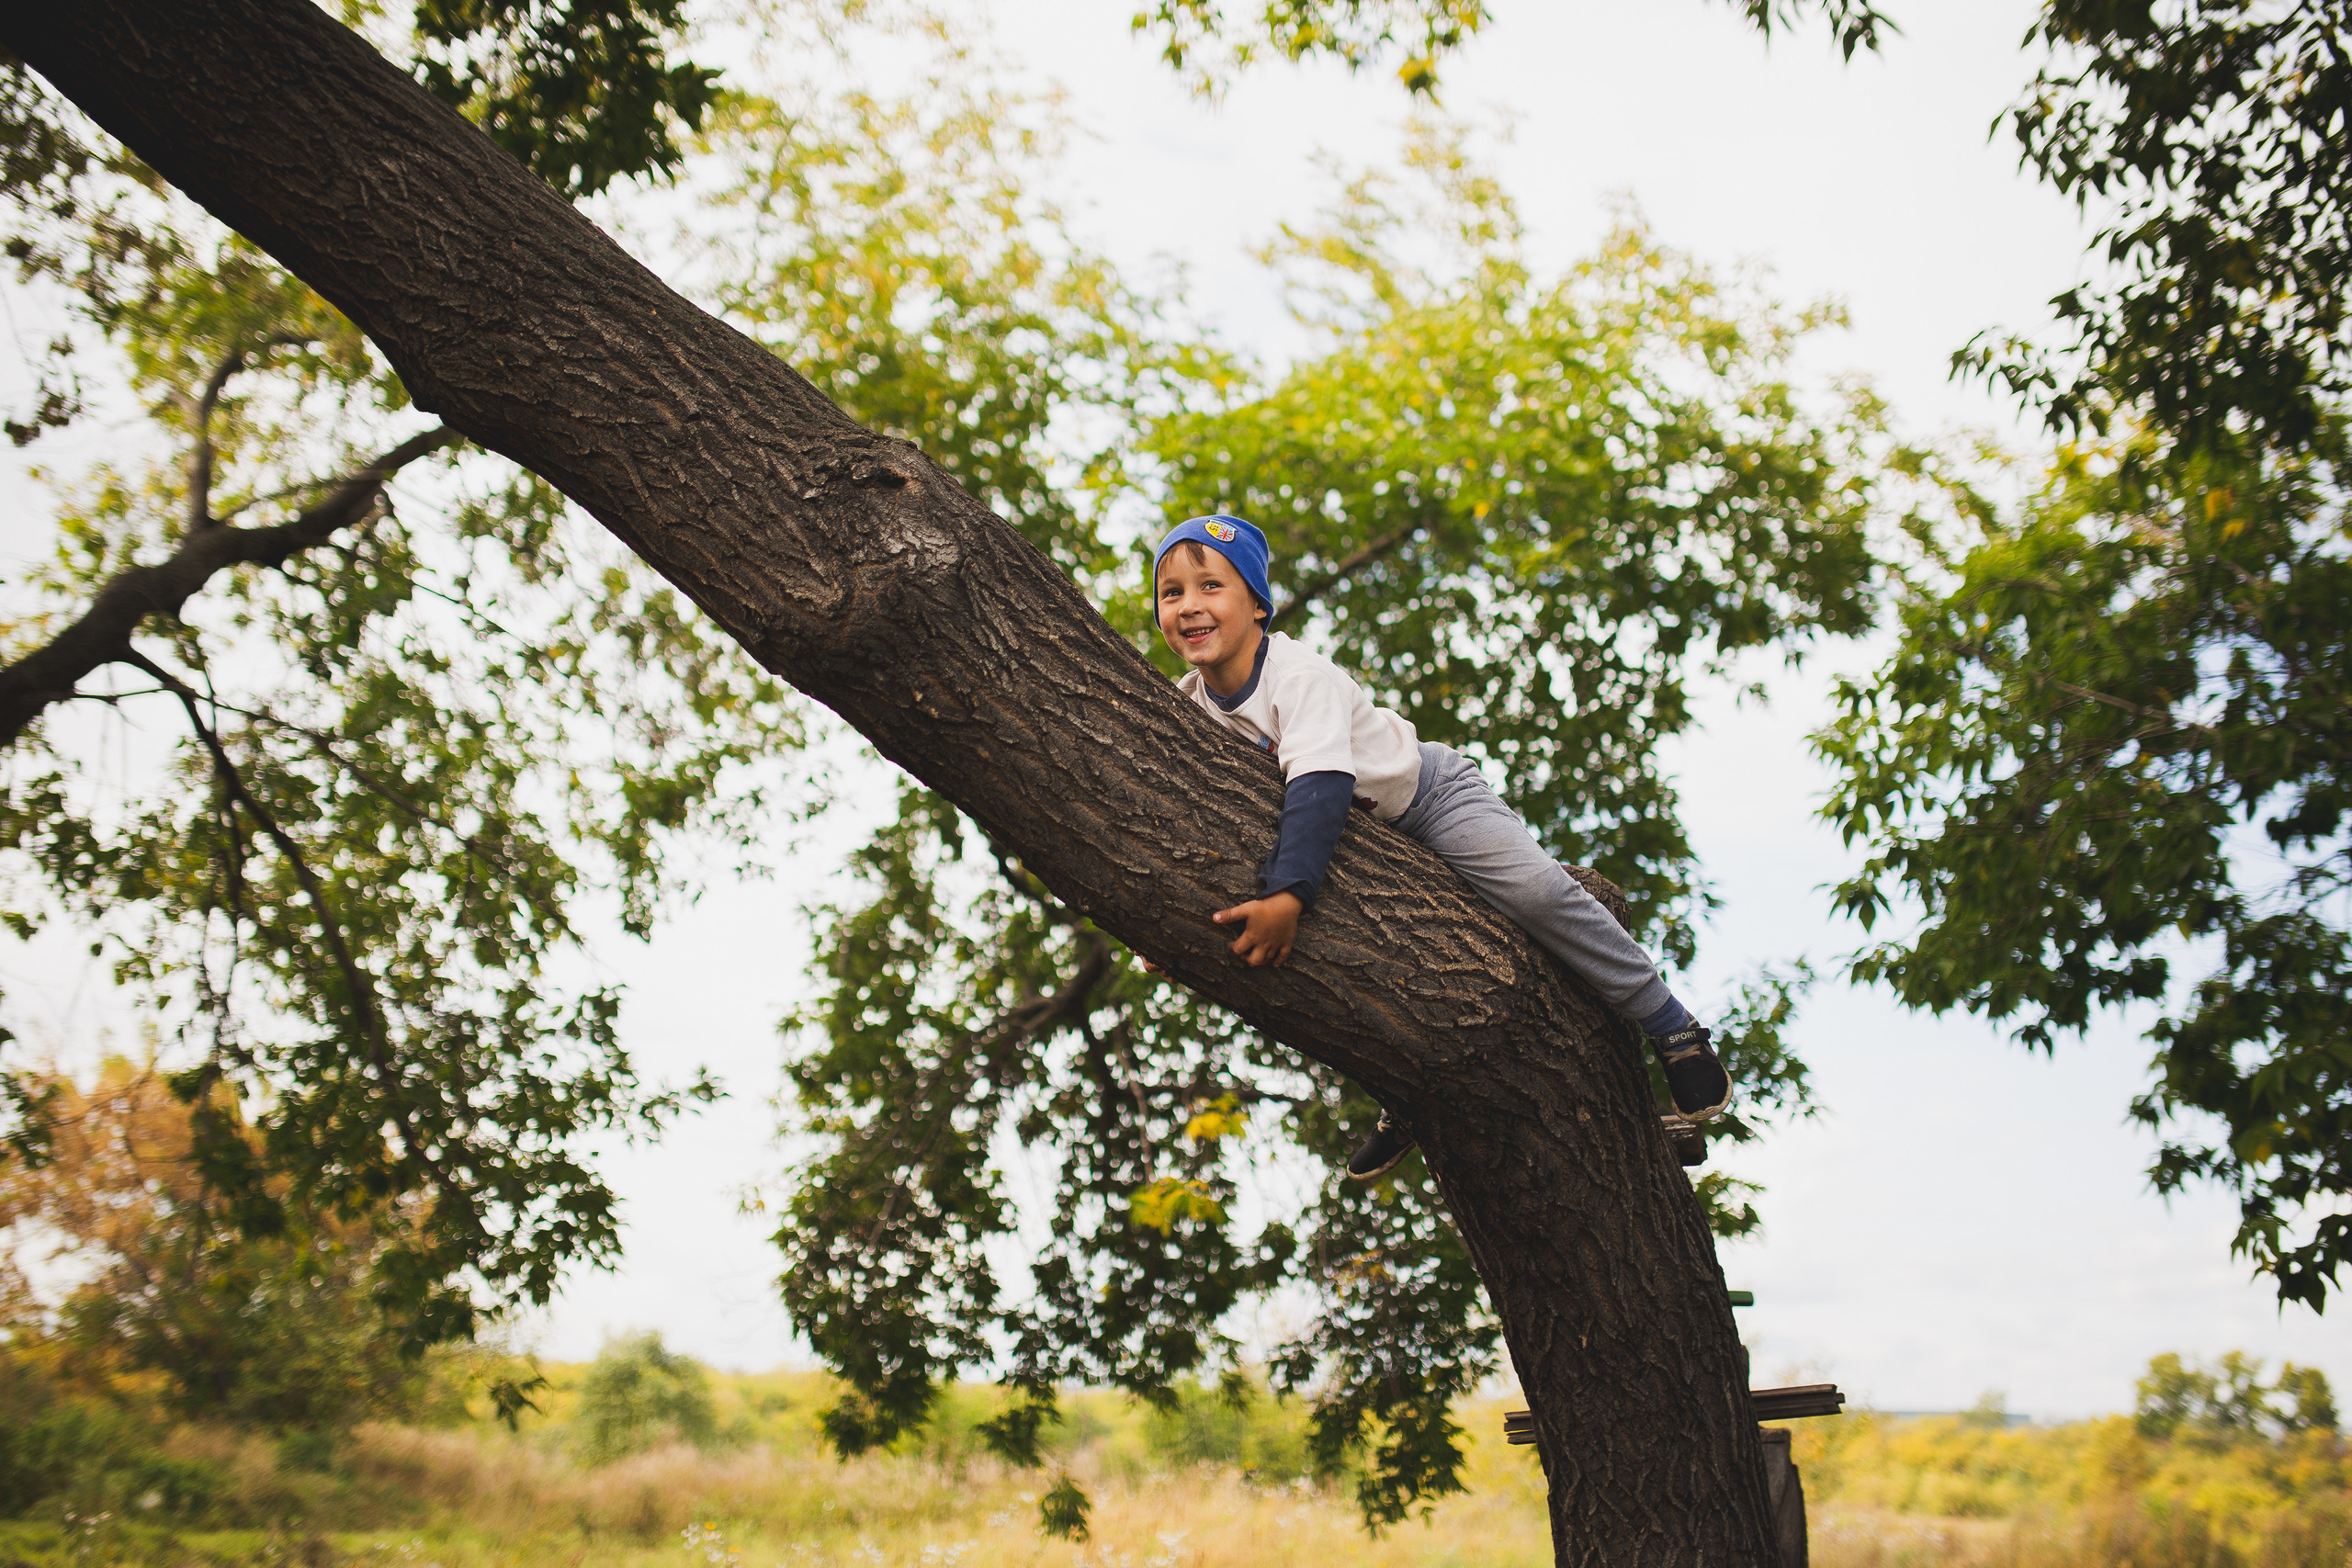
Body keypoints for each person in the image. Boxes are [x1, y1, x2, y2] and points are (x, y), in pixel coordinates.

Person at [1150, 513, 1731, 1179]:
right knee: (1353, 965)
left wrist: (1287, 895)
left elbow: (1319, 786)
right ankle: (1406, 1101)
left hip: (1426, 797)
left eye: (1211, 586)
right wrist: (1166, 930)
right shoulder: (1187, 707)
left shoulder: (1297, 676)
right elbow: (1191, 827)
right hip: (1354, 839)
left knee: (1535, 892)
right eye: (1171, 592)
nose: (1189, 605)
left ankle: (1670, 1024)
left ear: (1257, 603)